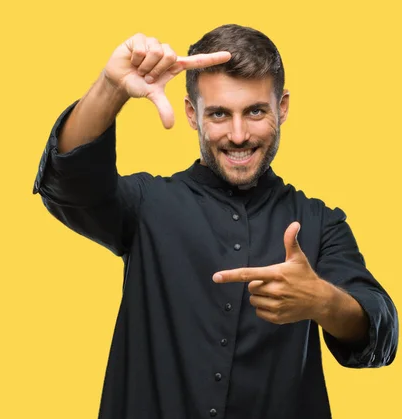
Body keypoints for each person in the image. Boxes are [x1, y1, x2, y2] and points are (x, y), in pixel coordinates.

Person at [32, 24, 398, 419]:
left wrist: (324, 302)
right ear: (193, 113)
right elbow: (67, 183)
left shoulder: (319, 222)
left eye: (255, 111)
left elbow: (381, 334)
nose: (238, 135)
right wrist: (111, 85)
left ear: (283, 107)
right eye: (220, 114)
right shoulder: (146, 205)